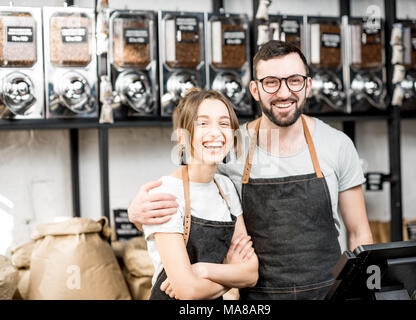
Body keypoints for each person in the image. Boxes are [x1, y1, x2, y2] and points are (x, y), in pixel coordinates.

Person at [129, 40, 373, 300]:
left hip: (328, 293)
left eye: (294, 80)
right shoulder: (230, 144)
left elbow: (359, 233)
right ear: (255, 90)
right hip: (258, 299)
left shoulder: (337, 145)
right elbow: (193, 187)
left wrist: (369, 292)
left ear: (307, 85)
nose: (283, 92)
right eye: (271, 82)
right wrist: (136, 215)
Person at [144, 88, 258, 300]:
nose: (215, 132)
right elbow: (188, 292)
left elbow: (250, 274)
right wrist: (229, 276)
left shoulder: (226, 189)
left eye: (224, 123)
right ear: (182, 136)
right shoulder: (166, 193)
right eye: (203, 123)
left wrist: (202, 270)